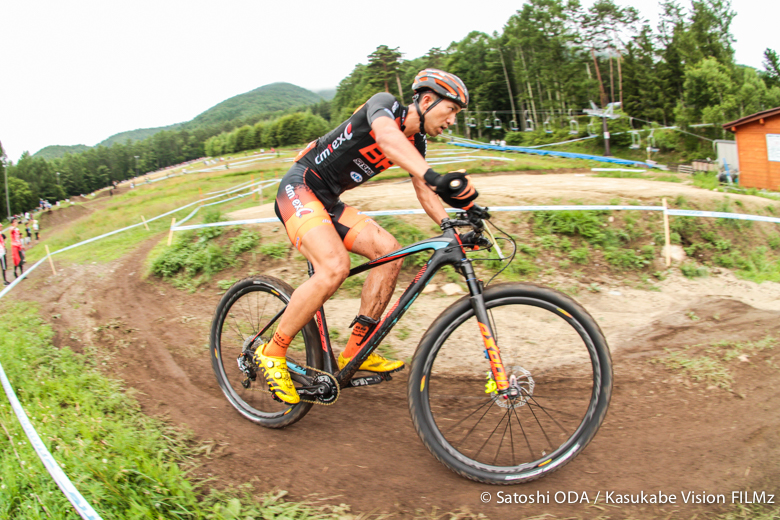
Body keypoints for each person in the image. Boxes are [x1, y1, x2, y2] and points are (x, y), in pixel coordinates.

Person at [255, 69, 477, 404]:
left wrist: (453, 221)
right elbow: (387, 139)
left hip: (328, 201)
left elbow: (425, 190)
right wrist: (434, 175)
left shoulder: (417, 141)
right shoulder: (384, 105)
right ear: (428, 100)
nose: (452, 121)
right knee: (334, 266)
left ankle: (355, 351)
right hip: (299, 187)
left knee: (389, 253)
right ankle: (273, 352)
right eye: (452, 111)